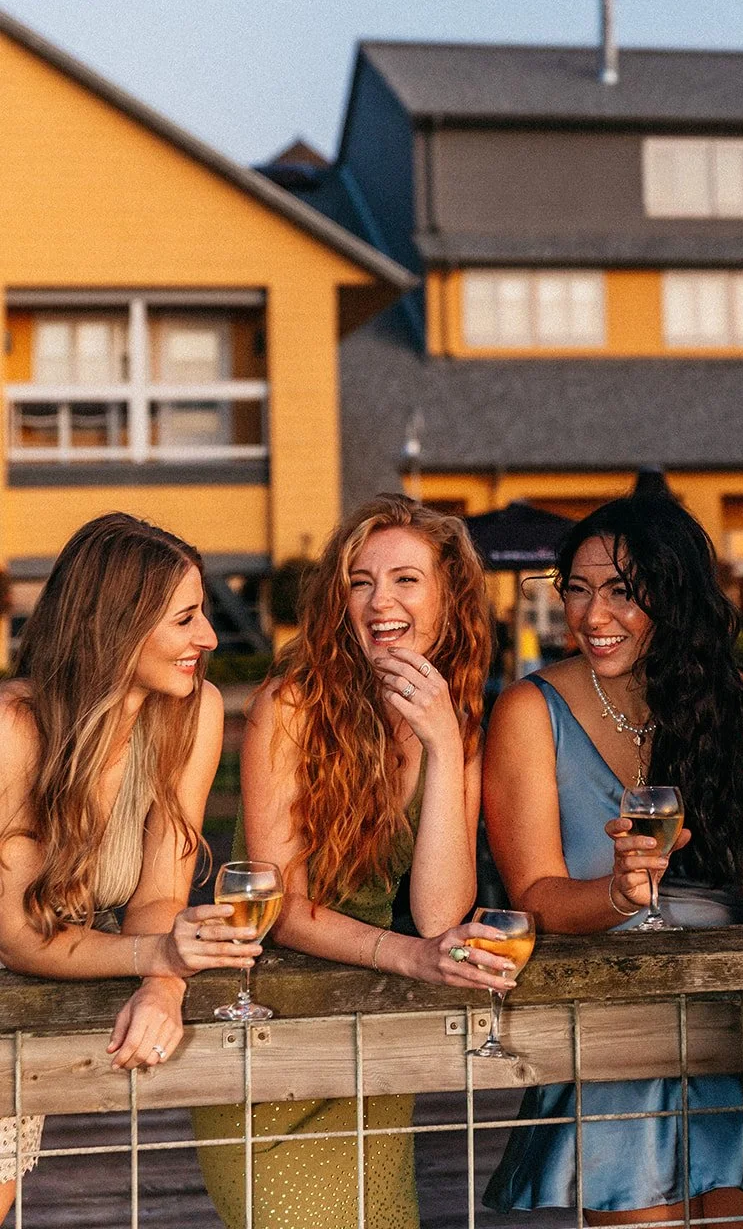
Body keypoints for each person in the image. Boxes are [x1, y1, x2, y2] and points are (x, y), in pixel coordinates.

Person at [194, 494, 516, 1229]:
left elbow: (441, 912)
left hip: (369, 1032)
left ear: (449, 598)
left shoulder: (455, 721)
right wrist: (411, 958)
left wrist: (439, 742)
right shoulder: (292, 704)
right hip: (267, 1028)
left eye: (405, 579)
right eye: (360, 580)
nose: (379, 600)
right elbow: (277, 910)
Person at [482, 493, 743, 1225]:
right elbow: (532, 895)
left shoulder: (735, 696)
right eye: (578, 589)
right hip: (615, 1012)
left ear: (675, 592)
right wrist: (620, 896)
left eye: (622, 591)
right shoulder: (530, 711)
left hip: (732, 1008)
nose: (593, 616)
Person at [0, 512, 260, 1221]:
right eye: (186, 619)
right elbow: (18, 938)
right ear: (117, 626)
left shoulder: (192, 711)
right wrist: (161, 952)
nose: (208, 638)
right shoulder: (14, 730)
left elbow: (161, 893)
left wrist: (164, 984)